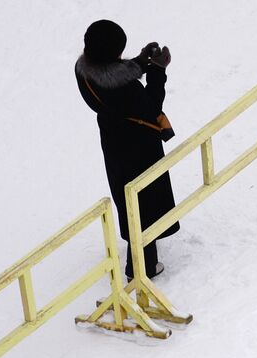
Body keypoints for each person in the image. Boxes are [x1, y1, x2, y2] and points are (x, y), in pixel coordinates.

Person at [75, 19, 179, 279]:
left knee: (127, 197)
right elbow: (150, 105)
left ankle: (142, 258)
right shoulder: (126, 89)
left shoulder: (83, 70)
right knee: (145, 200)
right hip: (139, 144)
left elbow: (112, 76)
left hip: (113, 139)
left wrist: (140, 62)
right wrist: (157, 71)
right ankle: (142, 268)